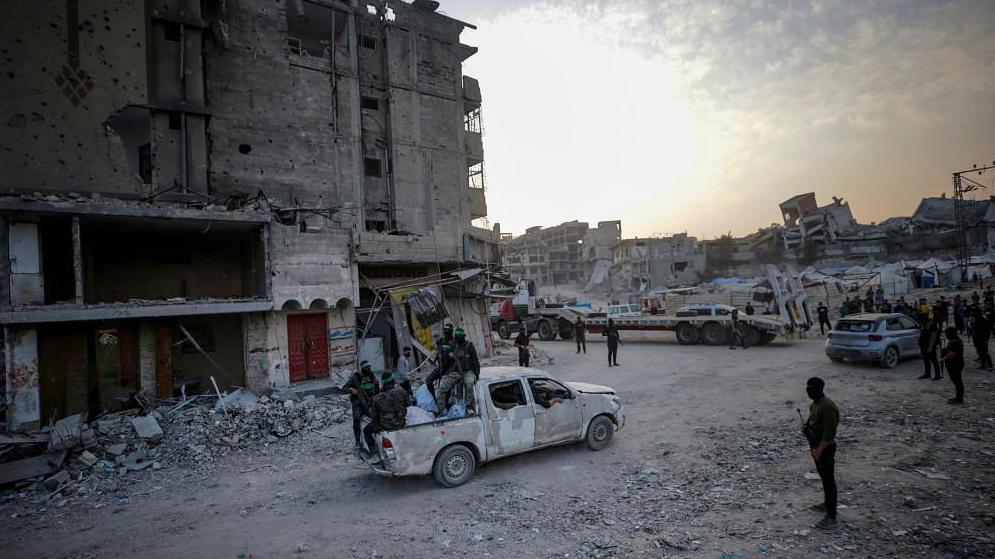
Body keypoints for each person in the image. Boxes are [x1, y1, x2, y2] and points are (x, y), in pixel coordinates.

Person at [803, 377, 840, 529]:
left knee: (829, 481)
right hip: (816, 446)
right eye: (807, 388)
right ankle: (827, 504)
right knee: (824, 478)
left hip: (824, 448)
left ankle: (831, 517)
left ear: (820, 389)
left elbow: (829, 433)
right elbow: (814, 421)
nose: (808, 391)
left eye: (811, 389)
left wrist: (819, 450)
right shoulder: (815, 404)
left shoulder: (827, 407)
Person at [362, 371, 410, 457]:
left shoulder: (377, 398)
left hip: (386, 425)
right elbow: (408, 404)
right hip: (401, 423)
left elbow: (374, 416)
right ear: (393, 381)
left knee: (366, 430)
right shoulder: (401, 391)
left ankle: (374, 453)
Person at [342, 360, 379, 451]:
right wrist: (351, 390)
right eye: (366, 368)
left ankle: (375, 442)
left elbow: (378, 391)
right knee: (357, 419)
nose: (368, 369)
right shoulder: (356, 377)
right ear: (362, 369)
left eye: (369, 367)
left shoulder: (373, 377)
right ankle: (358, 441)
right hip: (358, 403)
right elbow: (344, 388)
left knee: (376, 419)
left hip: (369, 403)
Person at [451, 327, 480, 410]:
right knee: (456, 387)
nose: (457, 339)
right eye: (456, 337)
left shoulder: (469, 346)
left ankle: (469, 406)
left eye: (459, 337)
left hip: (468, 372)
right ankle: (459, 406)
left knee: (469, 383)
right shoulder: (453, 346)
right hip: (457, 372)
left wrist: (477, 374)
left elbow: (475, 360)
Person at [939, 327, 965, 404]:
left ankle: (959, 398)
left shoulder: (954, 342)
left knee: (957, 381)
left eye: (947, 333)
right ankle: (958, 397)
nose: (946, 335)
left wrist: (943, 359)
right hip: (955, 364)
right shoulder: (955, 340)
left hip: (955, 364)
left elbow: (951, 355)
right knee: (957, 381)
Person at [918, 314, 942, 380]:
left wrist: (930, 346)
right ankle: (927, 373)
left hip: (929, 344)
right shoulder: (923, 322)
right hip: (923, 344)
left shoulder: (931, 323)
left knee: (933, 359)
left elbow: (933, 335)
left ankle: (938, 375)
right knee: (925, 359)